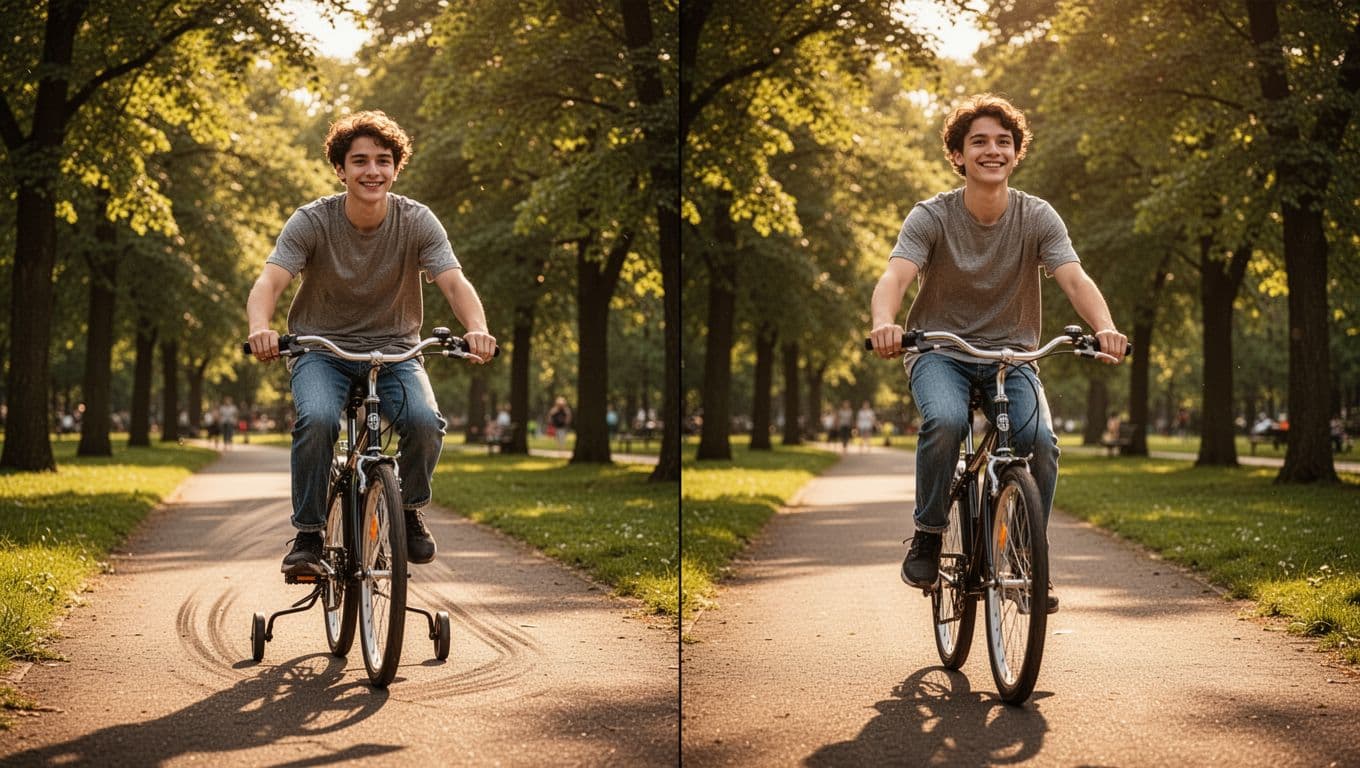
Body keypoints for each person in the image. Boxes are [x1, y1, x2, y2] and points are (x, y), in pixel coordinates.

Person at [868, 94, 1128, 614]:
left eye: (1003, 142)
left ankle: (1028, 555)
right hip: (941, 349)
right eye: (979, 142)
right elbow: (895, 275)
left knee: (1041, 442)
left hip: (1013, 357)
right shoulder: (932, 216)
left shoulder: (1037, 217)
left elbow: (1073, 278)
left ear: (1016, 153)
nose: (993, 150)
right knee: (944, 421)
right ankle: (928, 533)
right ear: (958, 156)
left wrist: (1105, 329)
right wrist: (884, 324)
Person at [245, 110, 497, 577]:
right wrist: (260, 326)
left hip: (395, 350)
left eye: (383, 161)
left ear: (396, 168)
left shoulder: (417, 221)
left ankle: (408, 510)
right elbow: (269, 281)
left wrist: (477, 328)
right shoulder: (312, 221)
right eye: (359, 161)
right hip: (322, 350)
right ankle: (309, 534)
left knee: (425, 422)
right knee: (318, 419)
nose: (372, 171)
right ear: (340, 169)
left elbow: (454, 282)